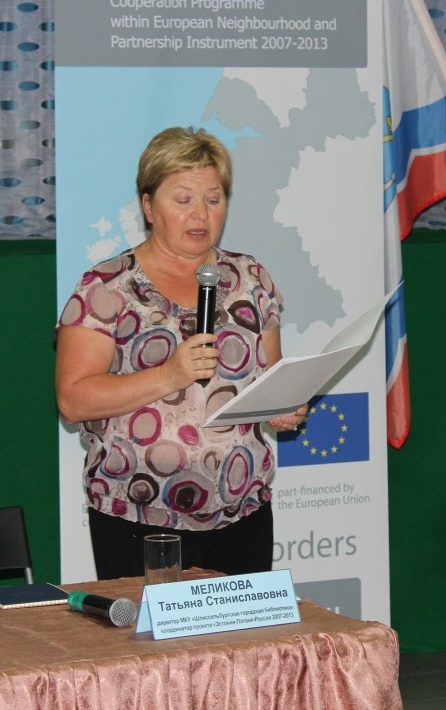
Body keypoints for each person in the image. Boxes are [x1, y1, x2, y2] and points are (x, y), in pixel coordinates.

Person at [55, 126, 306, 580]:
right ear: (149, 207)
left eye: (213, 199)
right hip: (141, 514)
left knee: (241, 632)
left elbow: (268, 378)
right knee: (152, 631)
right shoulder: (105, 287)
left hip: (242, 510)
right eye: (184, 199)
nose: (201, 215)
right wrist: (168, 375)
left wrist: (282, 408)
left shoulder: (251, 278)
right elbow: (73, 400)